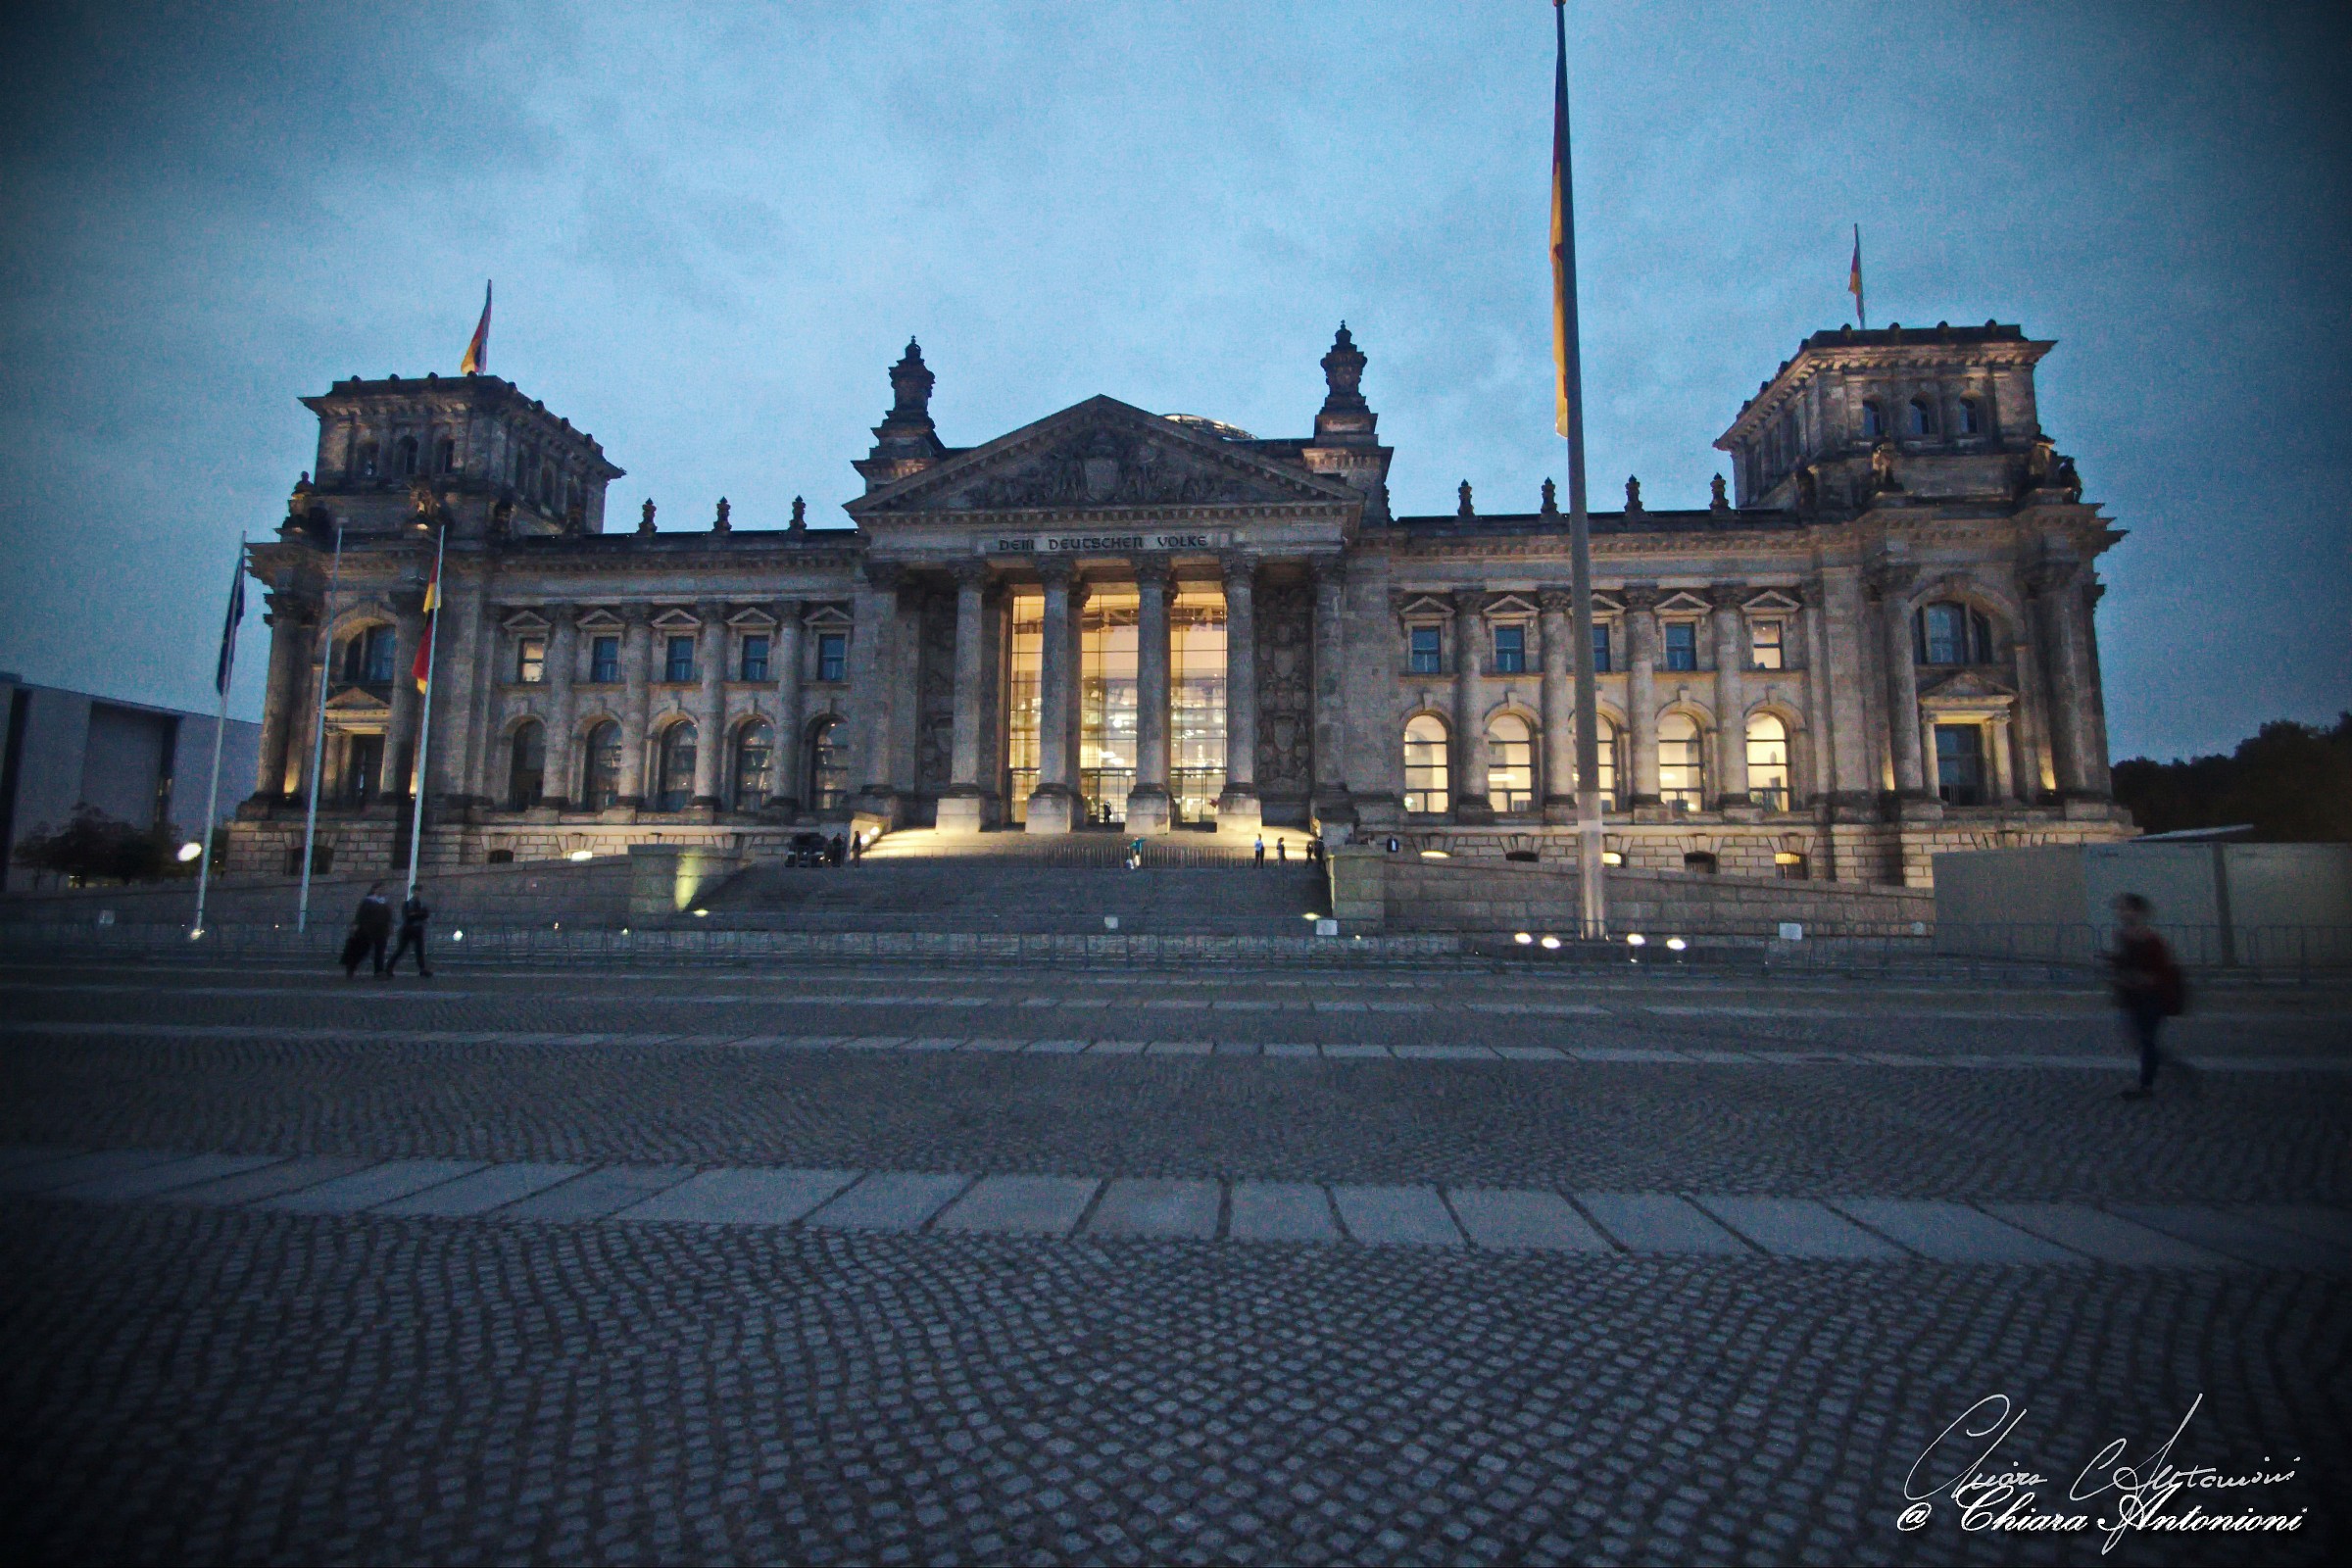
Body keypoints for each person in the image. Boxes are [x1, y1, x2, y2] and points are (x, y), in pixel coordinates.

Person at [2106, 893, 2183, 1100]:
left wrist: (2143, 978)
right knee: (2139, 1040)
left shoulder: (2152, 940)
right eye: (2119, 909)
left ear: (2137, 911)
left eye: (2125, 908)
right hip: (2131, 997)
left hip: (2151, 998)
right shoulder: (2123, 936)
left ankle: (2146, 1085)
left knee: (2146, 1040)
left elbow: (2162, 972)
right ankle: (2169, 1065)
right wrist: (2115, 964)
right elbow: (2124, 963)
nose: (2121, 913)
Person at [344, 882, 392, 978]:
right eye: (380, 888)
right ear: (374, 889)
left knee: (380, 950)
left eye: (383, 889)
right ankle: (351, 966)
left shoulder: (384, 902)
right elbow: (360, 914)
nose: (382, 890)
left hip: (381, 929)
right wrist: (356, 925)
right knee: (362, 949)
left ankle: (379, 971)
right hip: (368, 929)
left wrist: (389, 926)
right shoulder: (368, 901)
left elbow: (388, 916)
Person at [385, 886, 433, 978]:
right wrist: (419, 914)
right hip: (408, 930)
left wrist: (416, 914)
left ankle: (422, 969)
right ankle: (389, 967)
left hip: (417, 929)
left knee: (419, 950)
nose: (418, 893)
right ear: (413, 892)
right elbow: (408, 917)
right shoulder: (407, 903)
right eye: (416, 891)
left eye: (419, 891)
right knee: (401, 950)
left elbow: (424, 915)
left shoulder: (421, 904)